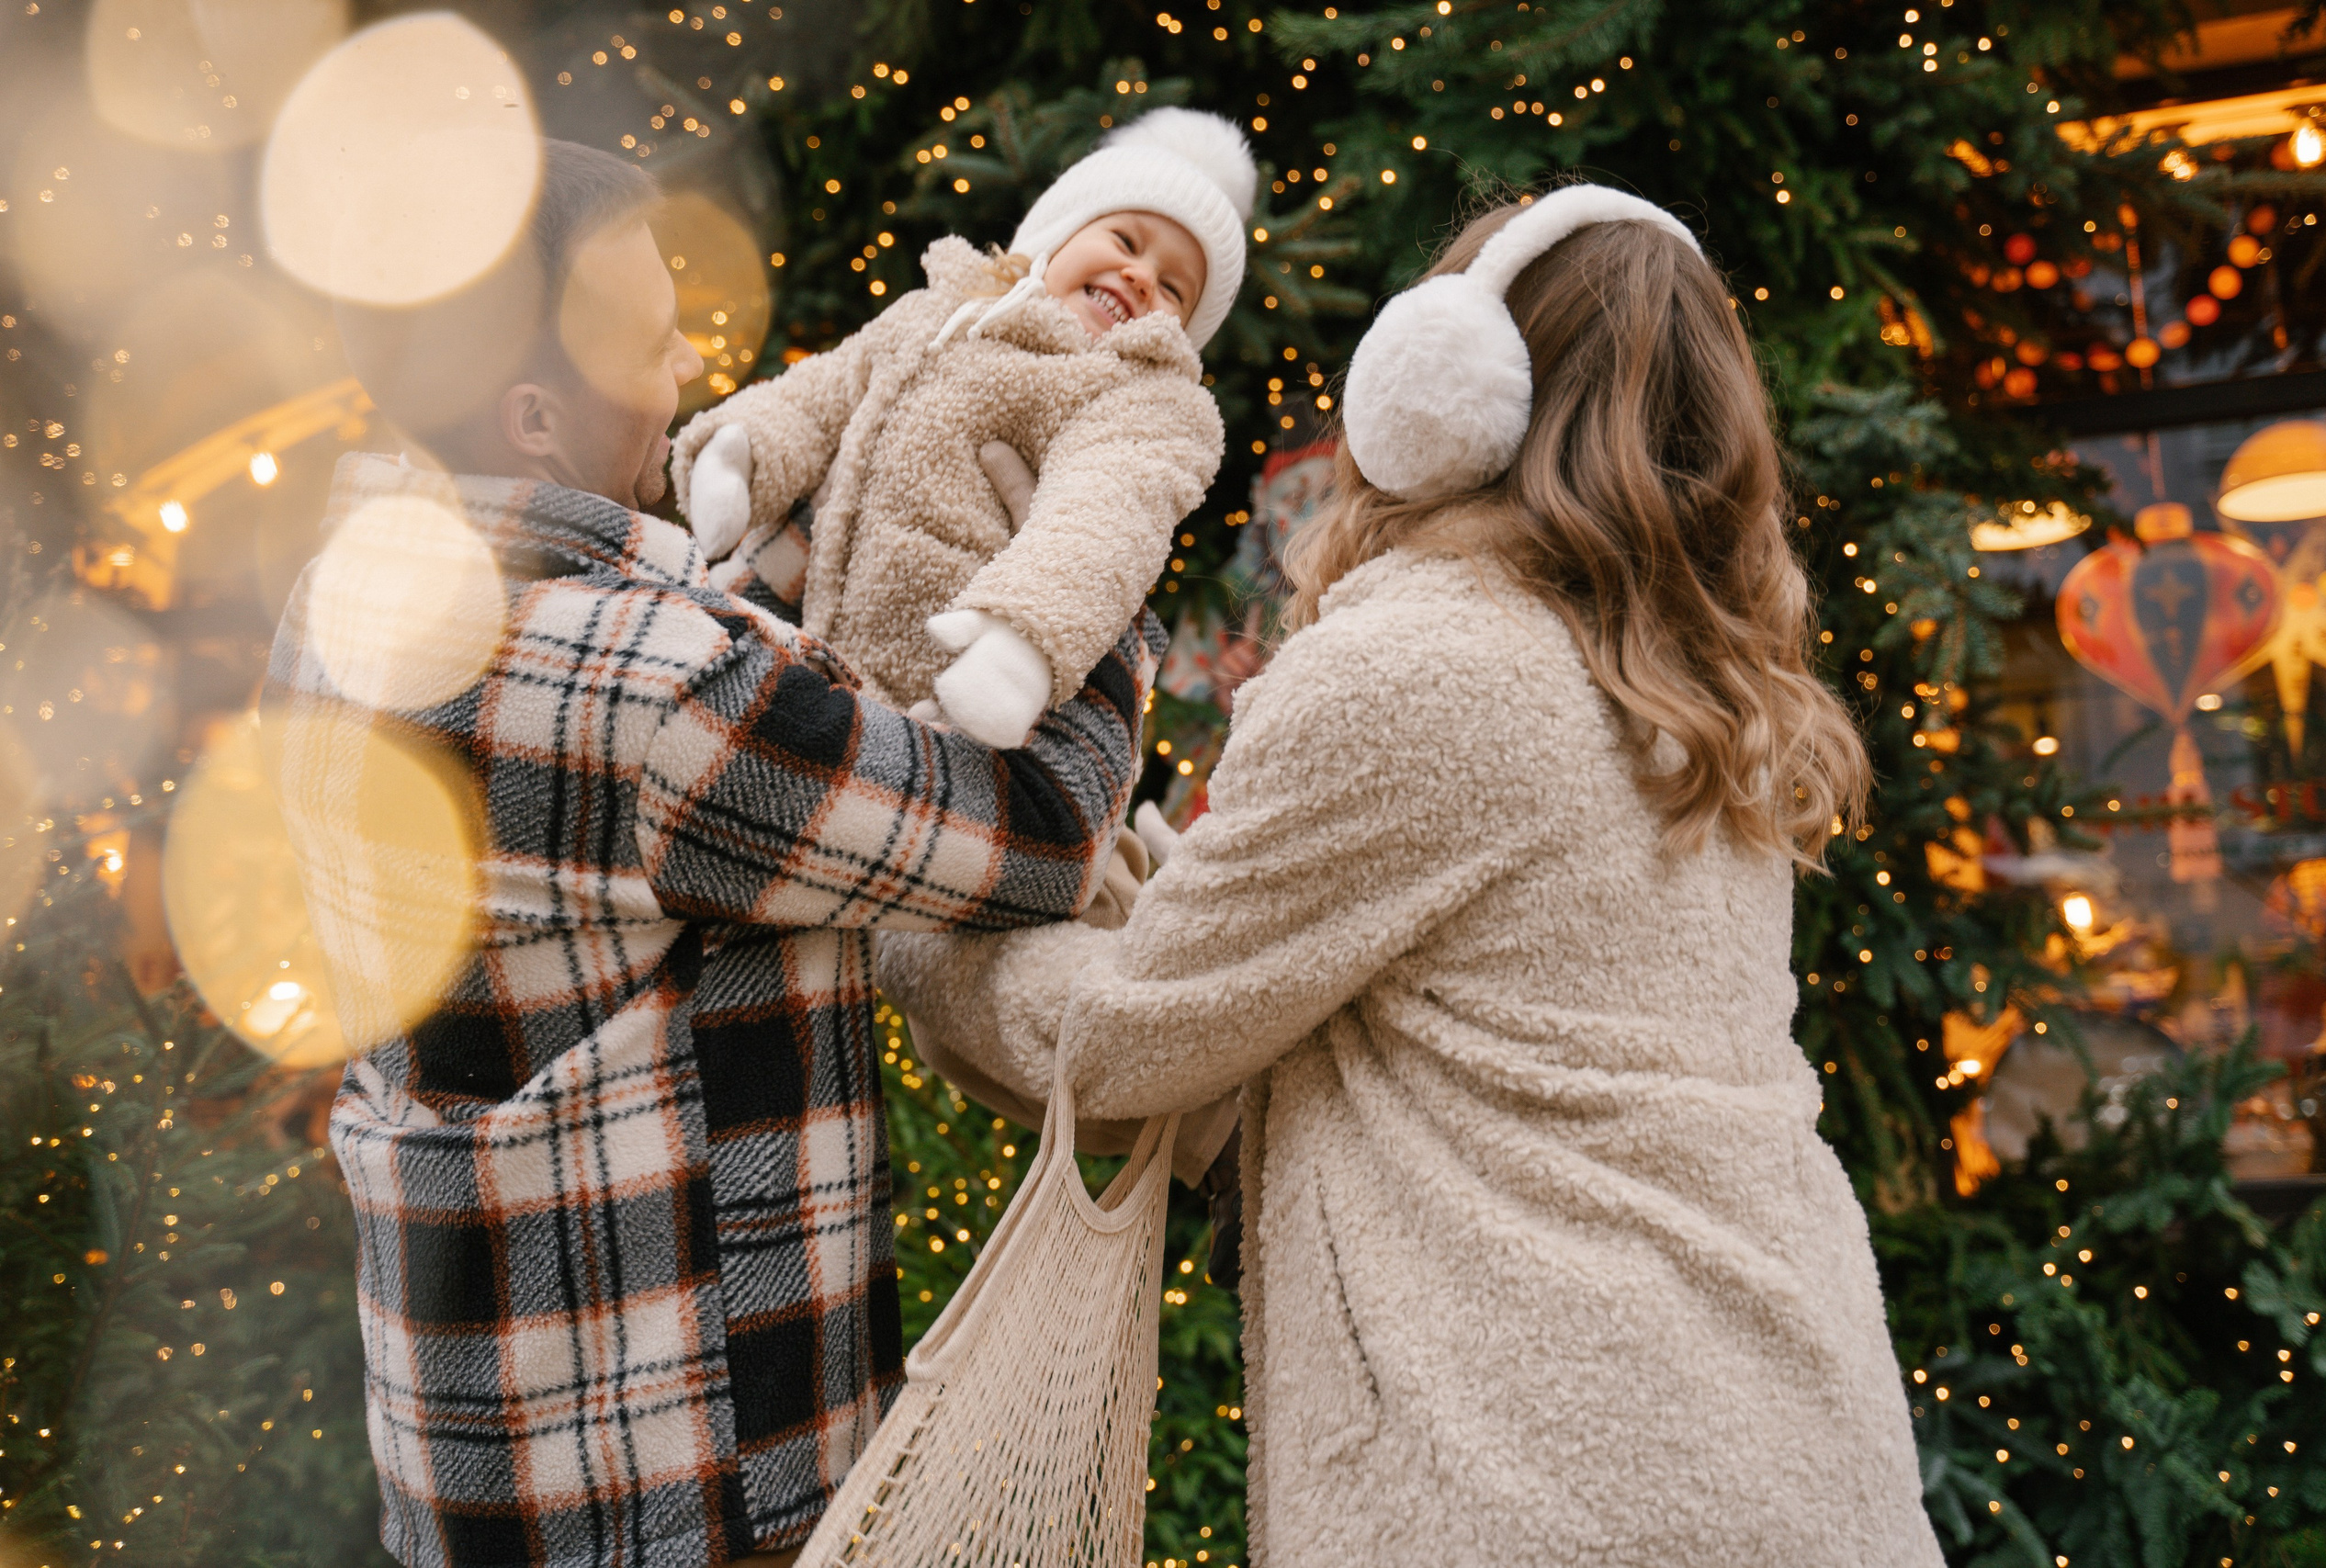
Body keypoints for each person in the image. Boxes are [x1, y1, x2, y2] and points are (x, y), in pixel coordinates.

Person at [876, 187, 1943, 1565]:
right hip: (1789, 1437)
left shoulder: (1421, 664)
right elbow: (1361, 1000)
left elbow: (1129, 1035)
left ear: (1442, 392)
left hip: (1541, 1471)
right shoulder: (1693, 688)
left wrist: (915, 919)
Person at [270, 140, 1157, 1568]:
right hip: (680, 1471)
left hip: (480, 1443)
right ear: (538, 414)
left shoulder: (341, 600)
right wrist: (1092, 557)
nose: (690, 364)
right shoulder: (647, 692)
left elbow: (687, 737)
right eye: (650, 340)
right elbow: (1044, 833)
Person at [669, 107, 1250, 749]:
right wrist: (743, 448)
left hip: (944, 686)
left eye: (1173, 287)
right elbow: (827, 388)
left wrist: (1024, 640)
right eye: (1126, 241)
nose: (1141, 276)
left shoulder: (1137, 400)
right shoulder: (943, 311)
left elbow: (1107, 517)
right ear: (1058, 232)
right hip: (806, 610)